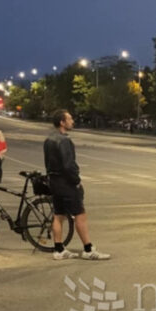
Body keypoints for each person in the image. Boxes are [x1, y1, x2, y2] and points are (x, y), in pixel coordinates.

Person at [43, 110, 109, 260]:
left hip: (54, 181)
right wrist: (76, 181)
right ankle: (88, 249)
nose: (72, 121)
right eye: (70, 119)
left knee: (58, 215)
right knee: (80, 214)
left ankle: (59, 249)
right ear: (62, 122)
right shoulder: (64, 140)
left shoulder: (48, 140)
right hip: (66, 183)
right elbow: (68, 165)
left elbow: (48, 162)